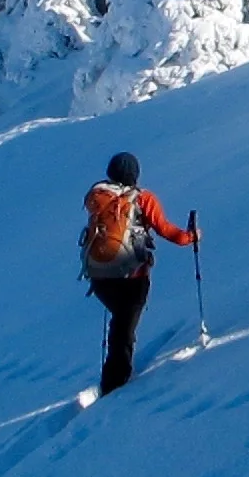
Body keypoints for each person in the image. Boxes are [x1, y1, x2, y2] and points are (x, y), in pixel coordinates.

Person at [84, 152, 196, 395]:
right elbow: (166, 230)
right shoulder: (143, 199)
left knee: (120, 322)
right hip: (132, 277)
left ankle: (115, 375)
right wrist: (191, 237)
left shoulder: (98, 196)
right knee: (124, 328)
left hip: (100, 276)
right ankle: (115, 384)